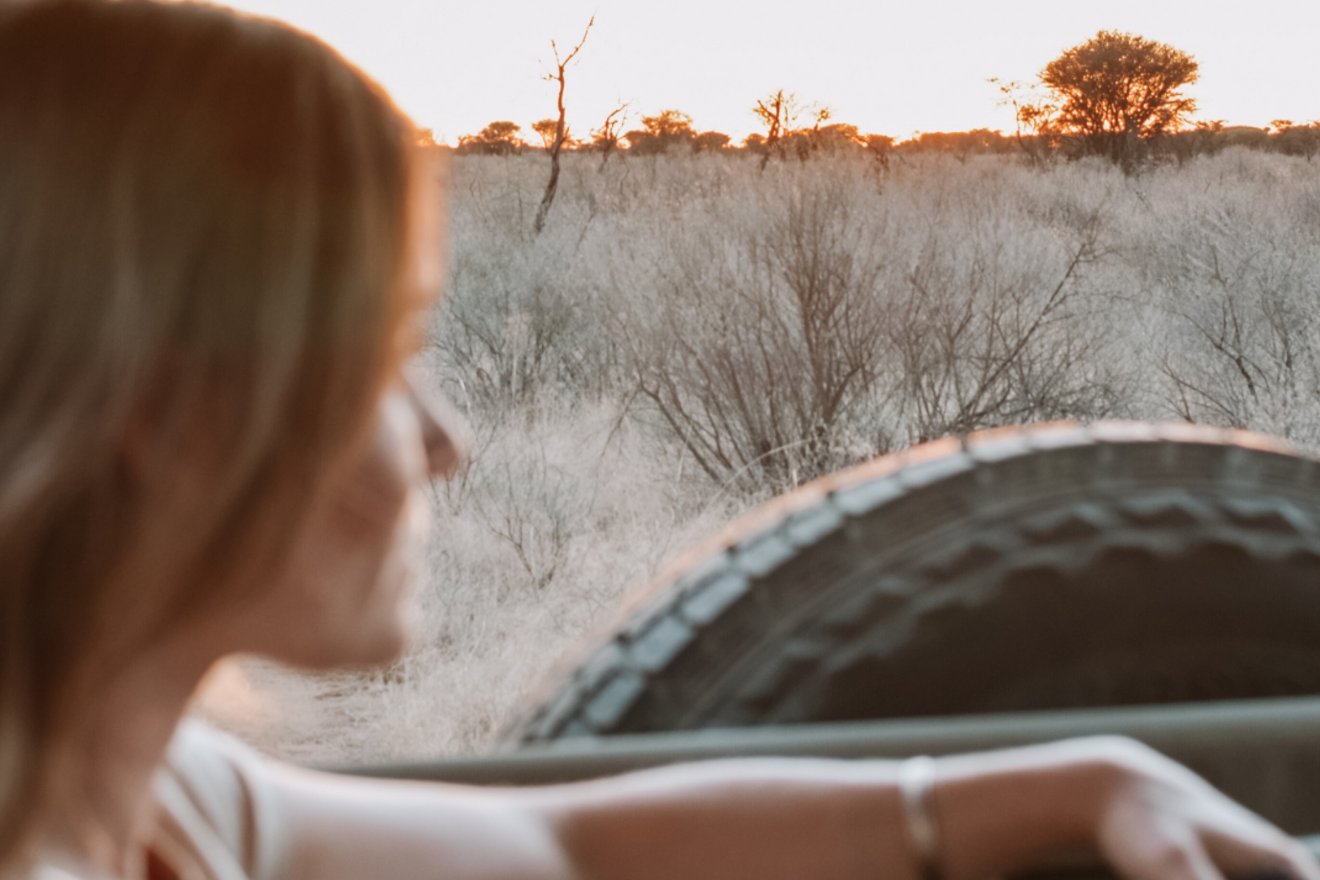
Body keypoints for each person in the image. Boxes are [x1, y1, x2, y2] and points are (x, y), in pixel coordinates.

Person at [0, 1, 1316, 879]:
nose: (447, 439)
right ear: (165, 419)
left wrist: (1072, 777)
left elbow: (567, 839)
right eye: (386, 362)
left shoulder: (145, 792)